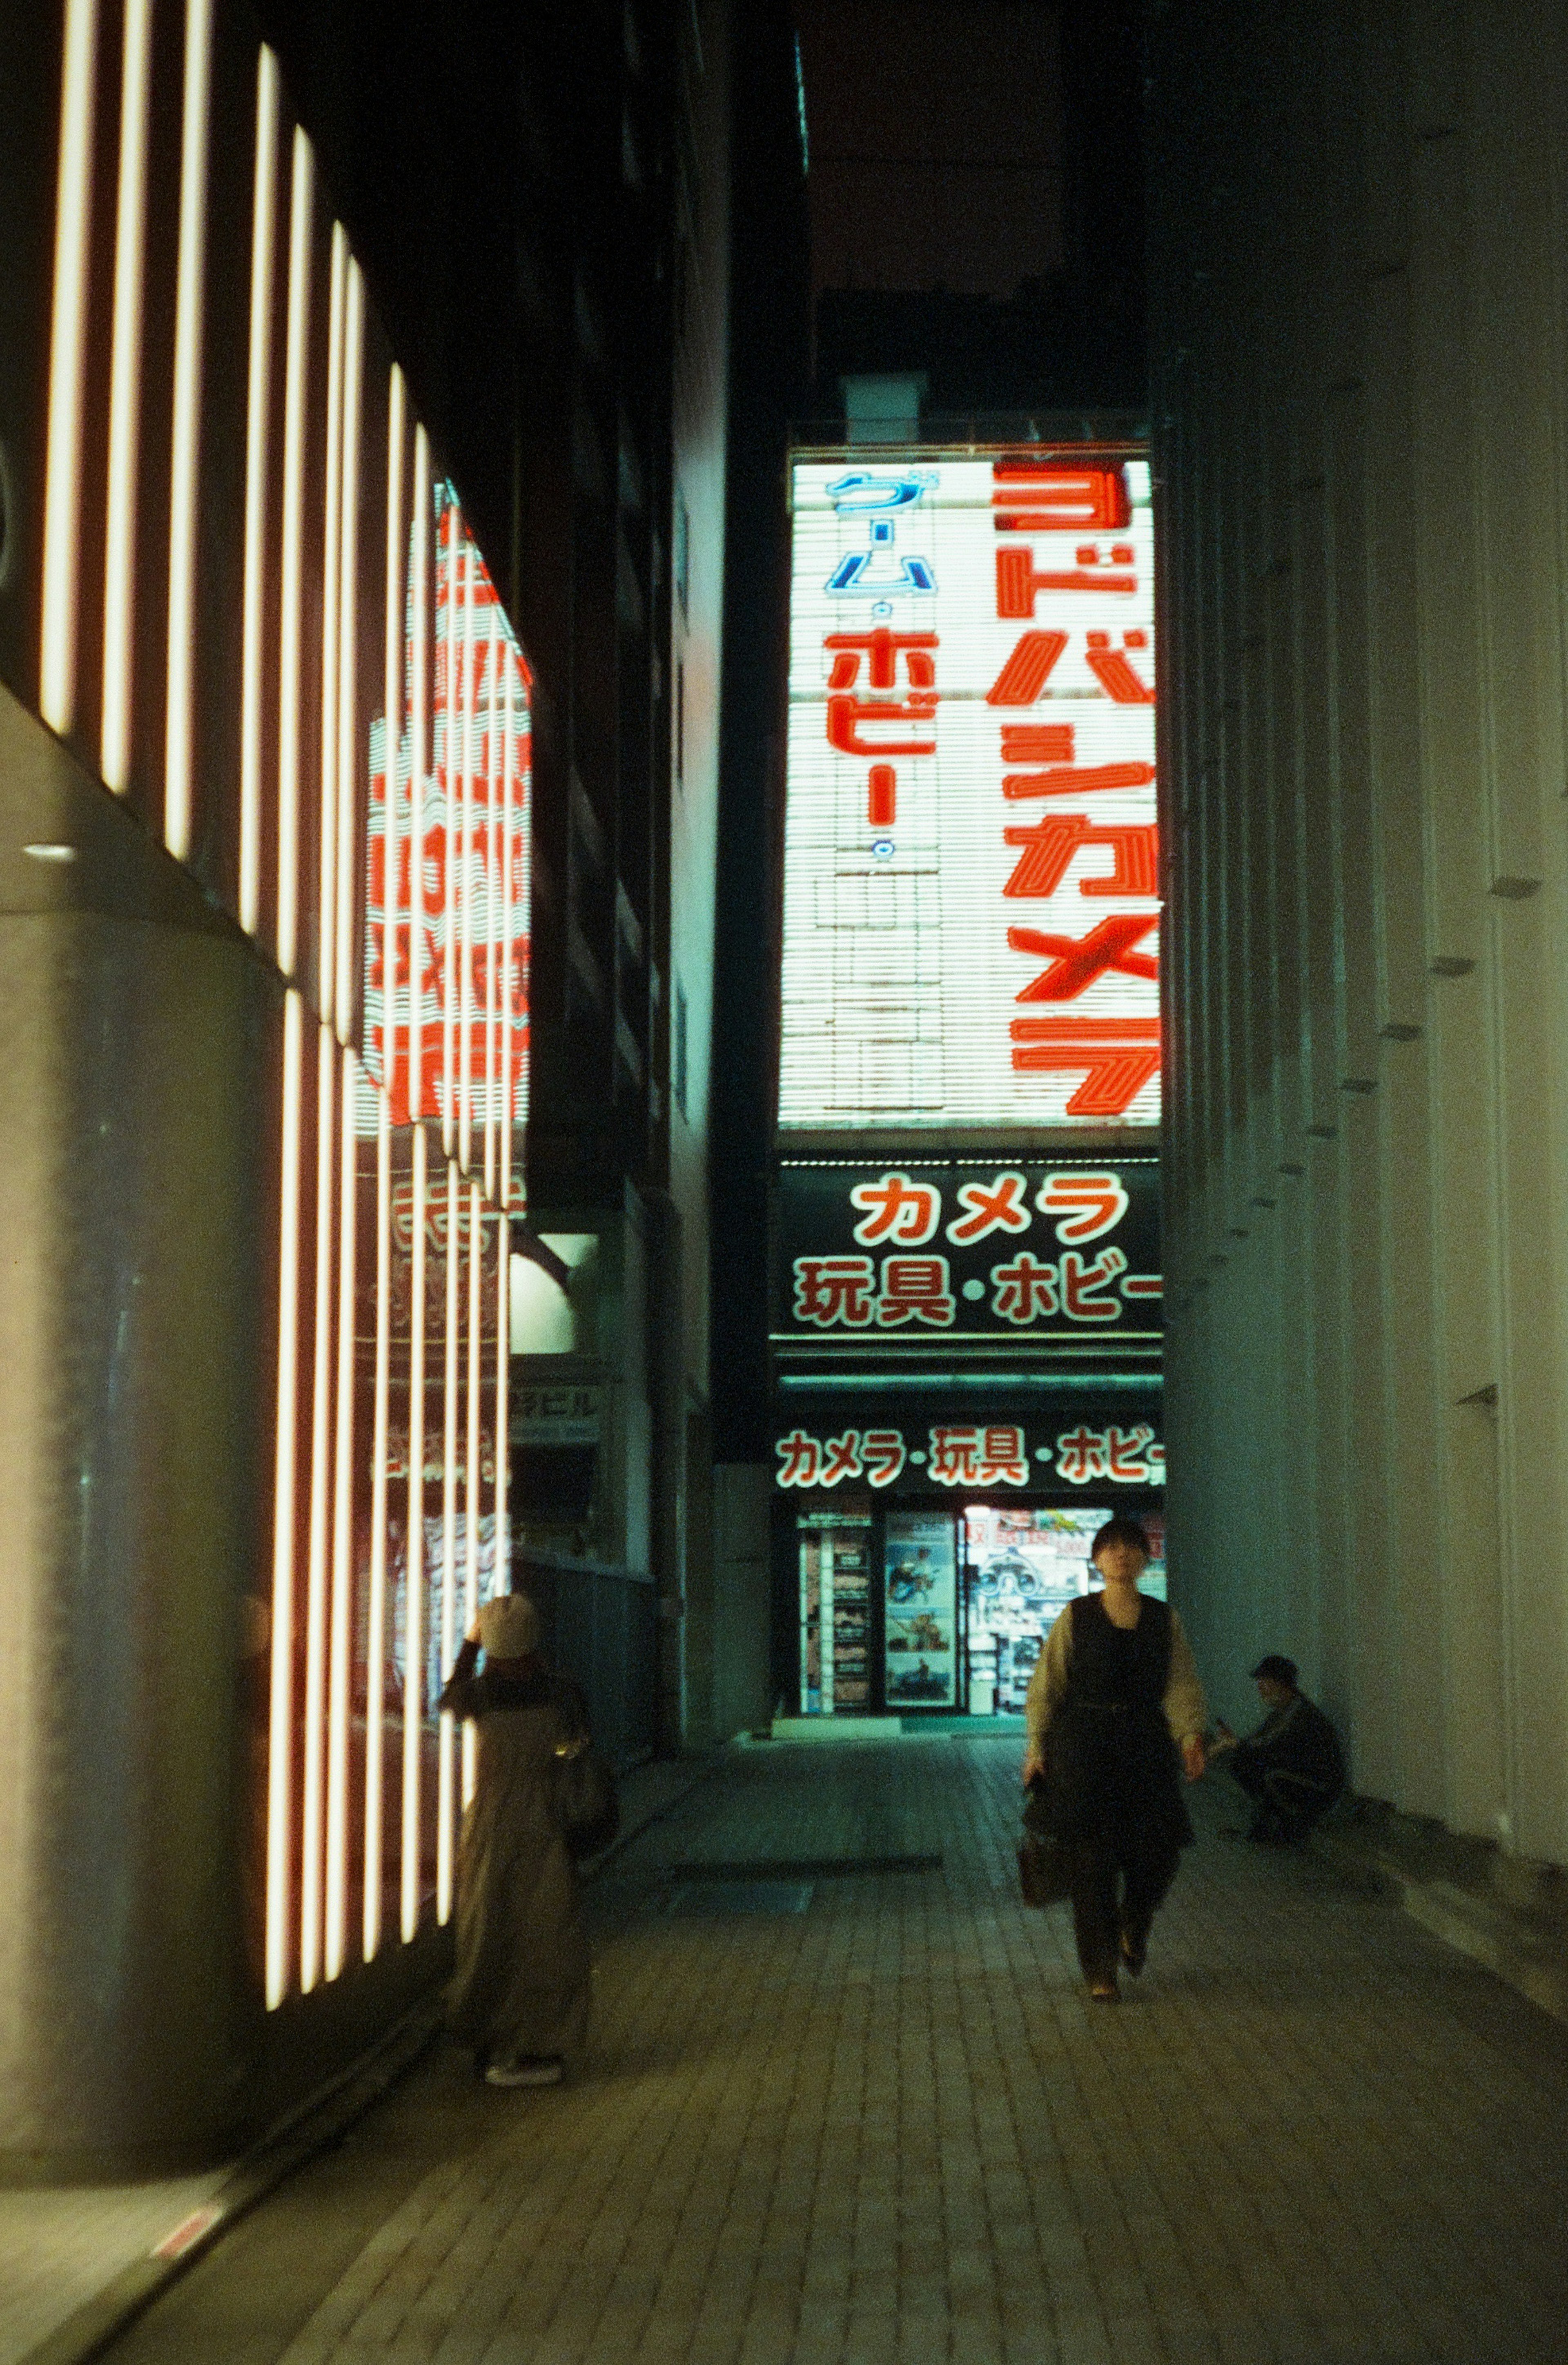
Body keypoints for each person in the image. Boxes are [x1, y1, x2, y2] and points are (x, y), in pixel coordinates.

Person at [1022, 1516, 1207, 2001]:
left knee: (1155, 1851)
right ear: (1097, 1559)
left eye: (1131, 1547)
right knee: (1091, 1861)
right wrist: (1037, 1748)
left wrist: (1190, 1736)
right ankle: (1099, 1967)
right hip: (1083, 1746)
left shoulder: (1164, 1618)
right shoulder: (1076, 1615)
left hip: (1146, 1744)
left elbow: (1181, 1680)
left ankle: (1135, 1922)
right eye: (1111, 1547)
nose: (1121, 1554)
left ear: (1146, 1558)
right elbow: (1049, 1683)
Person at [437, 1592, 592, 2088]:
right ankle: (544, 2041)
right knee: (547, 1933)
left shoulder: (479, 1696)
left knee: (489, 1930)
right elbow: (582, 1744)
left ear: (492, 1645)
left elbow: (448, 1697)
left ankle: (490, 2036)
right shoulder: (564, 1692)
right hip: (548, 1819)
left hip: (492, 1821)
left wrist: (468, 1643)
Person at [1209, 1655, 1344, 1844]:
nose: (1260, 1687)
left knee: (1271, 1777)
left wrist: (1233, 1744)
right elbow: (1258, 1742)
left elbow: (1268, 1745)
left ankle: (1293, 1826)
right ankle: (1268, 1826)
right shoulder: (1283, 1710)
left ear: (1281, 1684)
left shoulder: (1298, 1713)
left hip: (1320, 1787)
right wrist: (1235, 1742)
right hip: (1300, 1777)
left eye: (1264, 1681)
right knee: (1243, 1763)